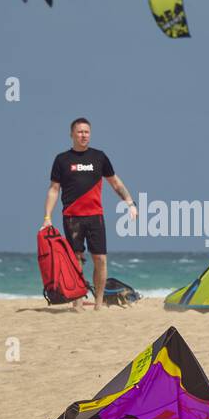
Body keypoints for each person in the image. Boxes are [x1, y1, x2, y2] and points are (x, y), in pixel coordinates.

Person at [44, 118, 137, 310]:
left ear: (90, 134)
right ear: (72, 135)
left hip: (95, 216)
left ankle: (98, 303)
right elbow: (54, 189)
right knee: (76, 259)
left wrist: (130, 203)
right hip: (72, 218)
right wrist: (47, 217)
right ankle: (77, 303)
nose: (83, 135)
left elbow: (116, 183)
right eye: (79, 132)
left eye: (86, 132)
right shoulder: (62, 160)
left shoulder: (99, 157)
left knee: (100, 259)